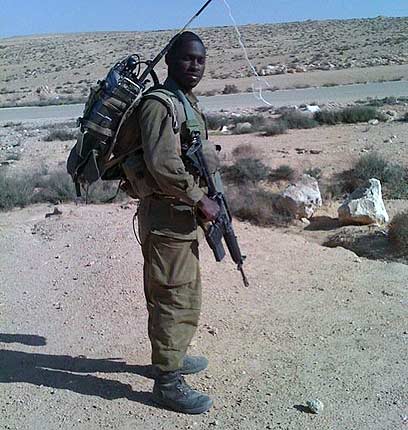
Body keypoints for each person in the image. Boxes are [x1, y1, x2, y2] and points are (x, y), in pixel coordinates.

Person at [136, 31, 220, 414]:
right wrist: (199, 197)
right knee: (173, 295)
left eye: (200, 60)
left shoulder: (184, 100)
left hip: (179, 216)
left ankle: (173, 355)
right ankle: (167, 383)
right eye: (187, 58)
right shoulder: (159, 104)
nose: (195, 66)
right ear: (169, 60)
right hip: (166, 217)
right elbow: (163, 165)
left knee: (181, 290)